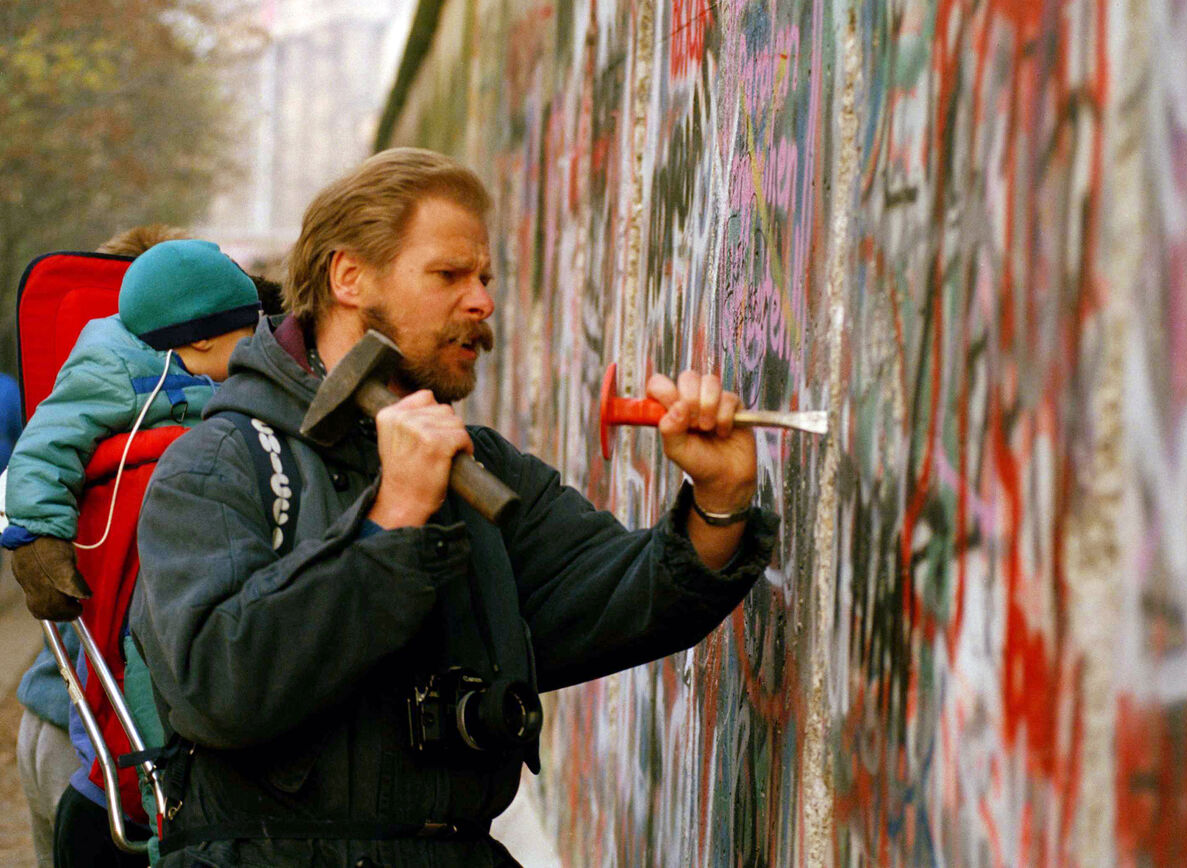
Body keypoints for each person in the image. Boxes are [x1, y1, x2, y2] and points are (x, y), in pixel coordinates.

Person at [129, 147, 778, 867]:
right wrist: (394, 518)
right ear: (350, 277)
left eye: (485, 278)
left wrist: (720, 499)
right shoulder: (220, 463)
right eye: (448, 275)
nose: (483, 302)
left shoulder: (479, 468)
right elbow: (218, 691)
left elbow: (623, 596)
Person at [4, 237, 261, 867]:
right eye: (243, 338)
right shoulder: (109, 368)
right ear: (198, 339)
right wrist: (37, 535)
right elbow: (43, 448)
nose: (255, 351)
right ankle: (152, 795)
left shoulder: (211, 363)